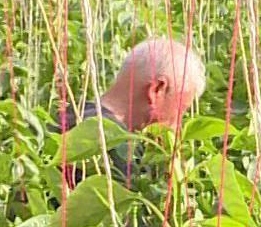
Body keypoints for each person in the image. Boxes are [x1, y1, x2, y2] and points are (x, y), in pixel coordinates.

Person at [55, 36, 207, 188]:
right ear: (157, 90)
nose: (177, 124)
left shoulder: (71, 115)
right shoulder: (121, 149)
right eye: (181, 110)